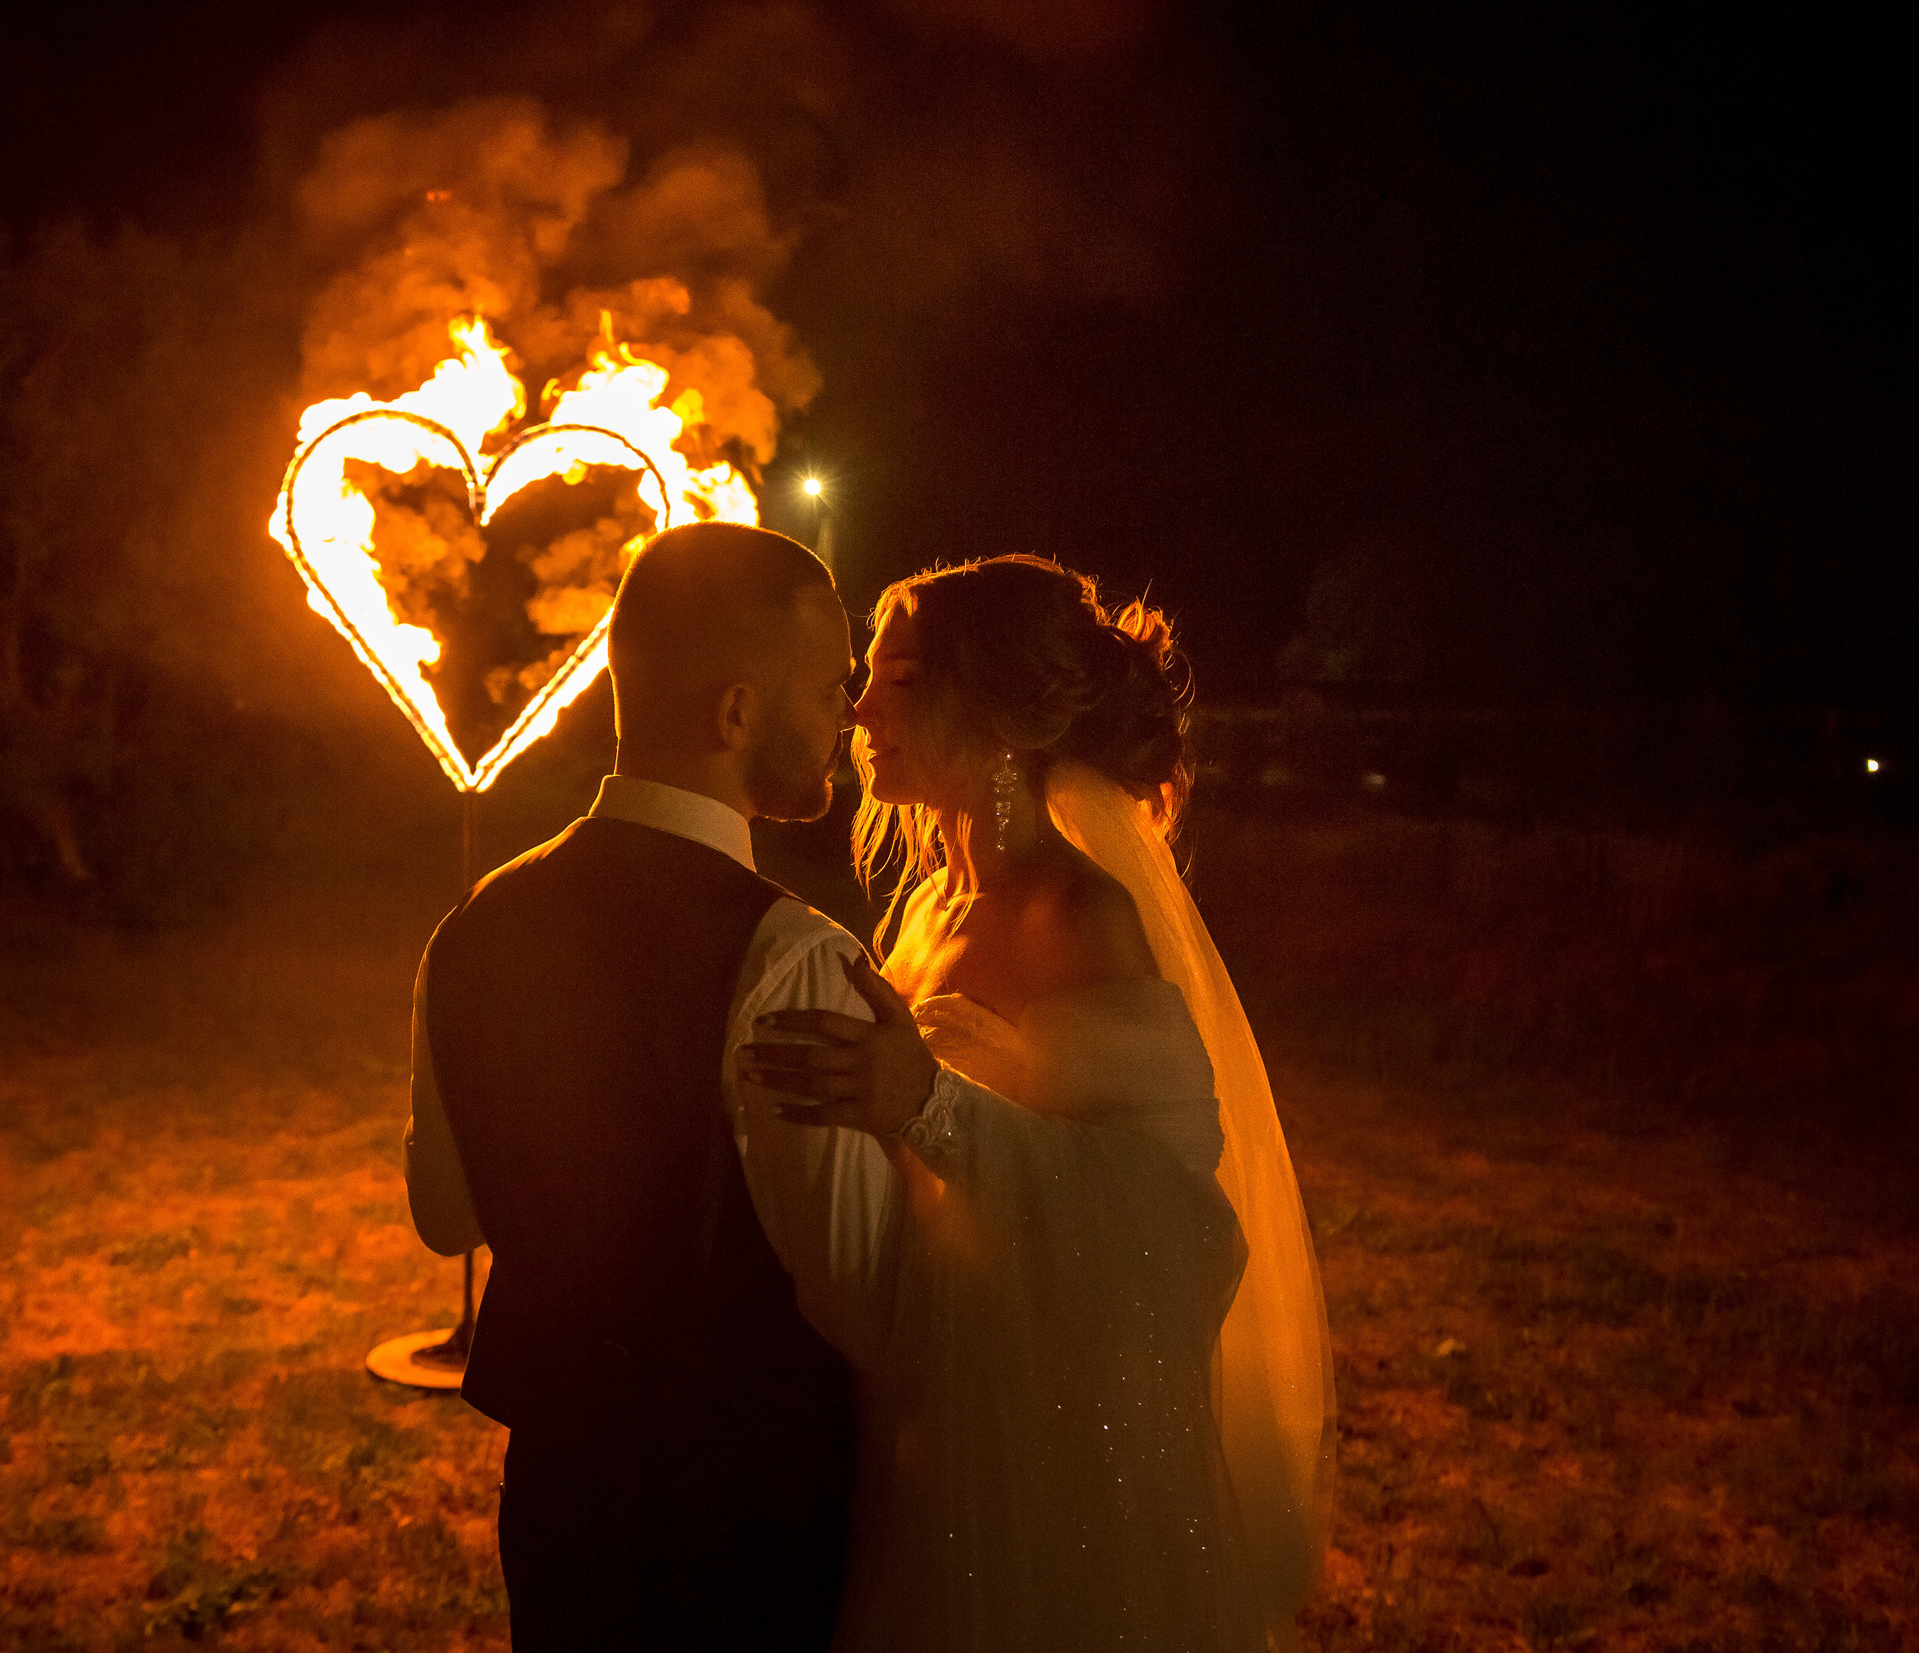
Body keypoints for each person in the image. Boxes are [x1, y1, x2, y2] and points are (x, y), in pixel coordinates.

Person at [742, 555, 1338, 1651]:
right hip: (927, 1390)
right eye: (866, 677)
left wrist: (930, 1109)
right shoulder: (925, 906)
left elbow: (1177, 1227)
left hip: (1053, 1444)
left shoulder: (1083, 915)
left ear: (998, 707)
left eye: (901, 678)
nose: (859, 706)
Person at [403, 520, 893, 1652]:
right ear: (731, 713)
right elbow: (855, 1286)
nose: (847, 720)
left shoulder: (476, 925)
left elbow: (446, 1218)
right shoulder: (790, 956)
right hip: (748, 1516)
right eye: (830, 687)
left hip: (564, 1493)